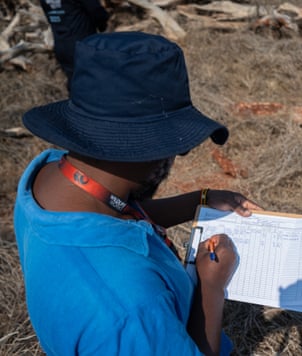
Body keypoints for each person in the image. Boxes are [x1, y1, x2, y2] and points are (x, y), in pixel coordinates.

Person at [14, 31, 261, 355]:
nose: (178, 156)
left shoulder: (49, 177)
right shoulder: (131, 311)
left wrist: (199, 200)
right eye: (174, 146)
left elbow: (120, 219)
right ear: (144, 150)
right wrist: (211, 288)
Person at [39, 0, 109, 88]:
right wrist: (103, 25)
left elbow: (50, 17)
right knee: (93, 86)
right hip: (82, 45)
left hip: (61, 44)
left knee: (75, 86)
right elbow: (97, 12)